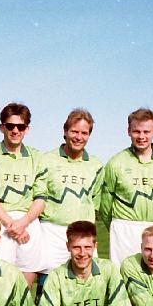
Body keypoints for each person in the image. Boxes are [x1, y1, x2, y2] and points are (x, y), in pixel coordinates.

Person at [0, 103, 47, 287]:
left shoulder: (37, 156)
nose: (15, 130)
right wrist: (10, 224)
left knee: (28, 269)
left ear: (27, 129)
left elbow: (41, 198)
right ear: (2, 127)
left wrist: (22, 224)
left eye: (20, 127)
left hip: (28, 221)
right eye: (10, 126)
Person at [100, 108, 153, 265]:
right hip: (124, 228)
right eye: (136, 131)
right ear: (128, 131)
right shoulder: (116, 163)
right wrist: (118, 226)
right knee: (122, 278)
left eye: (146, 131)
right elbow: (106, 204)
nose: (142, 136)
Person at [39, 108, 103, 276]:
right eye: (74, 131)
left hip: (84, 234)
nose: (78, 137)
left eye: (84, 133)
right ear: (65, 131)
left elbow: (96, 200)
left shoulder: (96, 164)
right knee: (49, 280)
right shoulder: (47, 160)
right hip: (52, 231)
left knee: (85, 282)